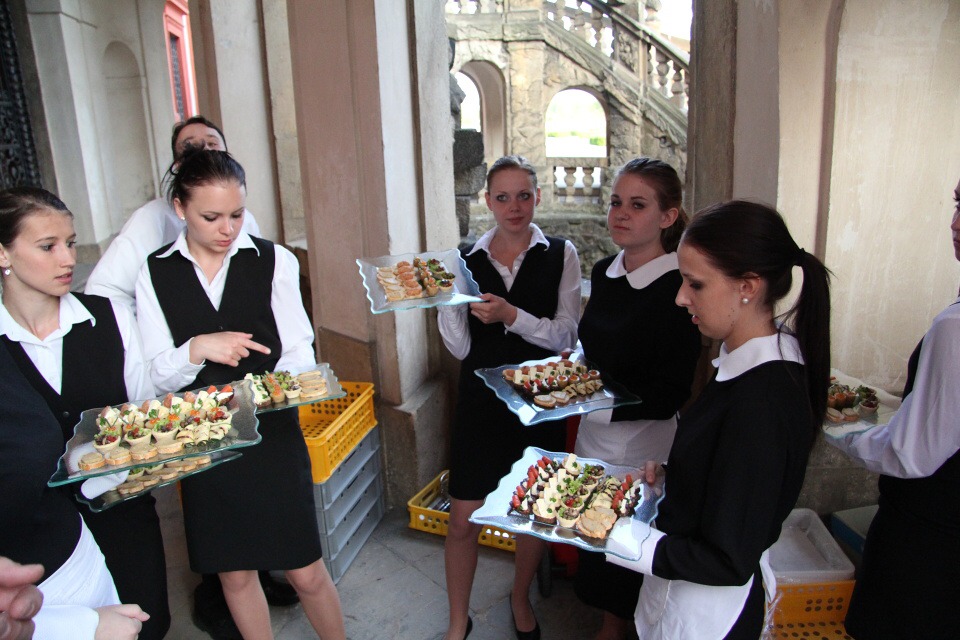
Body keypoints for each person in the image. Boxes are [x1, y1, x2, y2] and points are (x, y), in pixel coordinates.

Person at [135, 149, 345, 640]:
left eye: (236, 214)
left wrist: (271, 389)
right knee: (233, 574)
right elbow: (153, 377)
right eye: (211, 217)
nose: (227, 229)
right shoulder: (155, 272)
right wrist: (197, 348)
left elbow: (298, 350)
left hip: (272, 437)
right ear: (179, 207)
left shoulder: (274, 260)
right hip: (202, 444)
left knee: (305, 570)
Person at [603, 200, 832, 639]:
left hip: (709, 618)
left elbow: (727, 558)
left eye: (695, 284)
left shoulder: (763, 401)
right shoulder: (741, 363)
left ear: (747, 286)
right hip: (679, 597)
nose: (680, 297)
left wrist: (611, 535)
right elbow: (731, 469)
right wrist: (673, 476)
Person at [0, 187, 168, 640]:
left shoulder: (110, 319)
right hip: (40, 547)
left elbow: (145, 417)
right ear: (3, 253)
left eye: (71, 243)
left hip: (124, 516)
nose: (68, 259)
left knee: (146, 623)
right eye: (48, 246)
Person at [437, 155, 581, 640]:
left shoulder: (561, 253)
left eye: (523, 196)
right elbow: (461, 348)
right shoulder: (465, 260)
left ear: (537, 197)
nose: (514, 206)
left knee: (531, 515)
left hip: (540, 405)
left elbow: (566, 334)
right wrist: (446, 304)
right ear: (488, 201)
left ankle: (520, 598)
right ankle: (457, 619)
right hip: (480, 405)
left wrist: (511, 316)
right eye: (502, 197)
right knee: (462, 520)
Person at [573, 158, 702, 640]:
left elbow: (673, 391)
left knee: (627, 552)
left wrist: (591, 404)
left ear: (668, 217)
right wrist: (571, 369)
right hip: (590, 438)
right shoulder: (604, 271)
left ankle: (617, 629)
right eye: (615, 202)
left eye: (638, 205)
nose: (621, 214)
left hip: (642, 449)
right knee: (591, 536)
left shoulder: (679, 288)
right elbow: (594, 349)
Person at [826, 178, 960, 640]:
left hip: (932, 537)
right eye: (958, 202)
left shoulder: (955, 328)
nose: (956, 223)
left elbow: (912, 453)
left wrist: (843, 433)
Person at [85, 115, 261, 310]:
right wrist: (146, 321)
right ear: (177, 164)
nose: (204, 149)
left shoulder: (249, 223)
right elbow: (104, 290)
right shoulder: (150, 219)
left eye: (212, 143)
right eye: (190, 146)